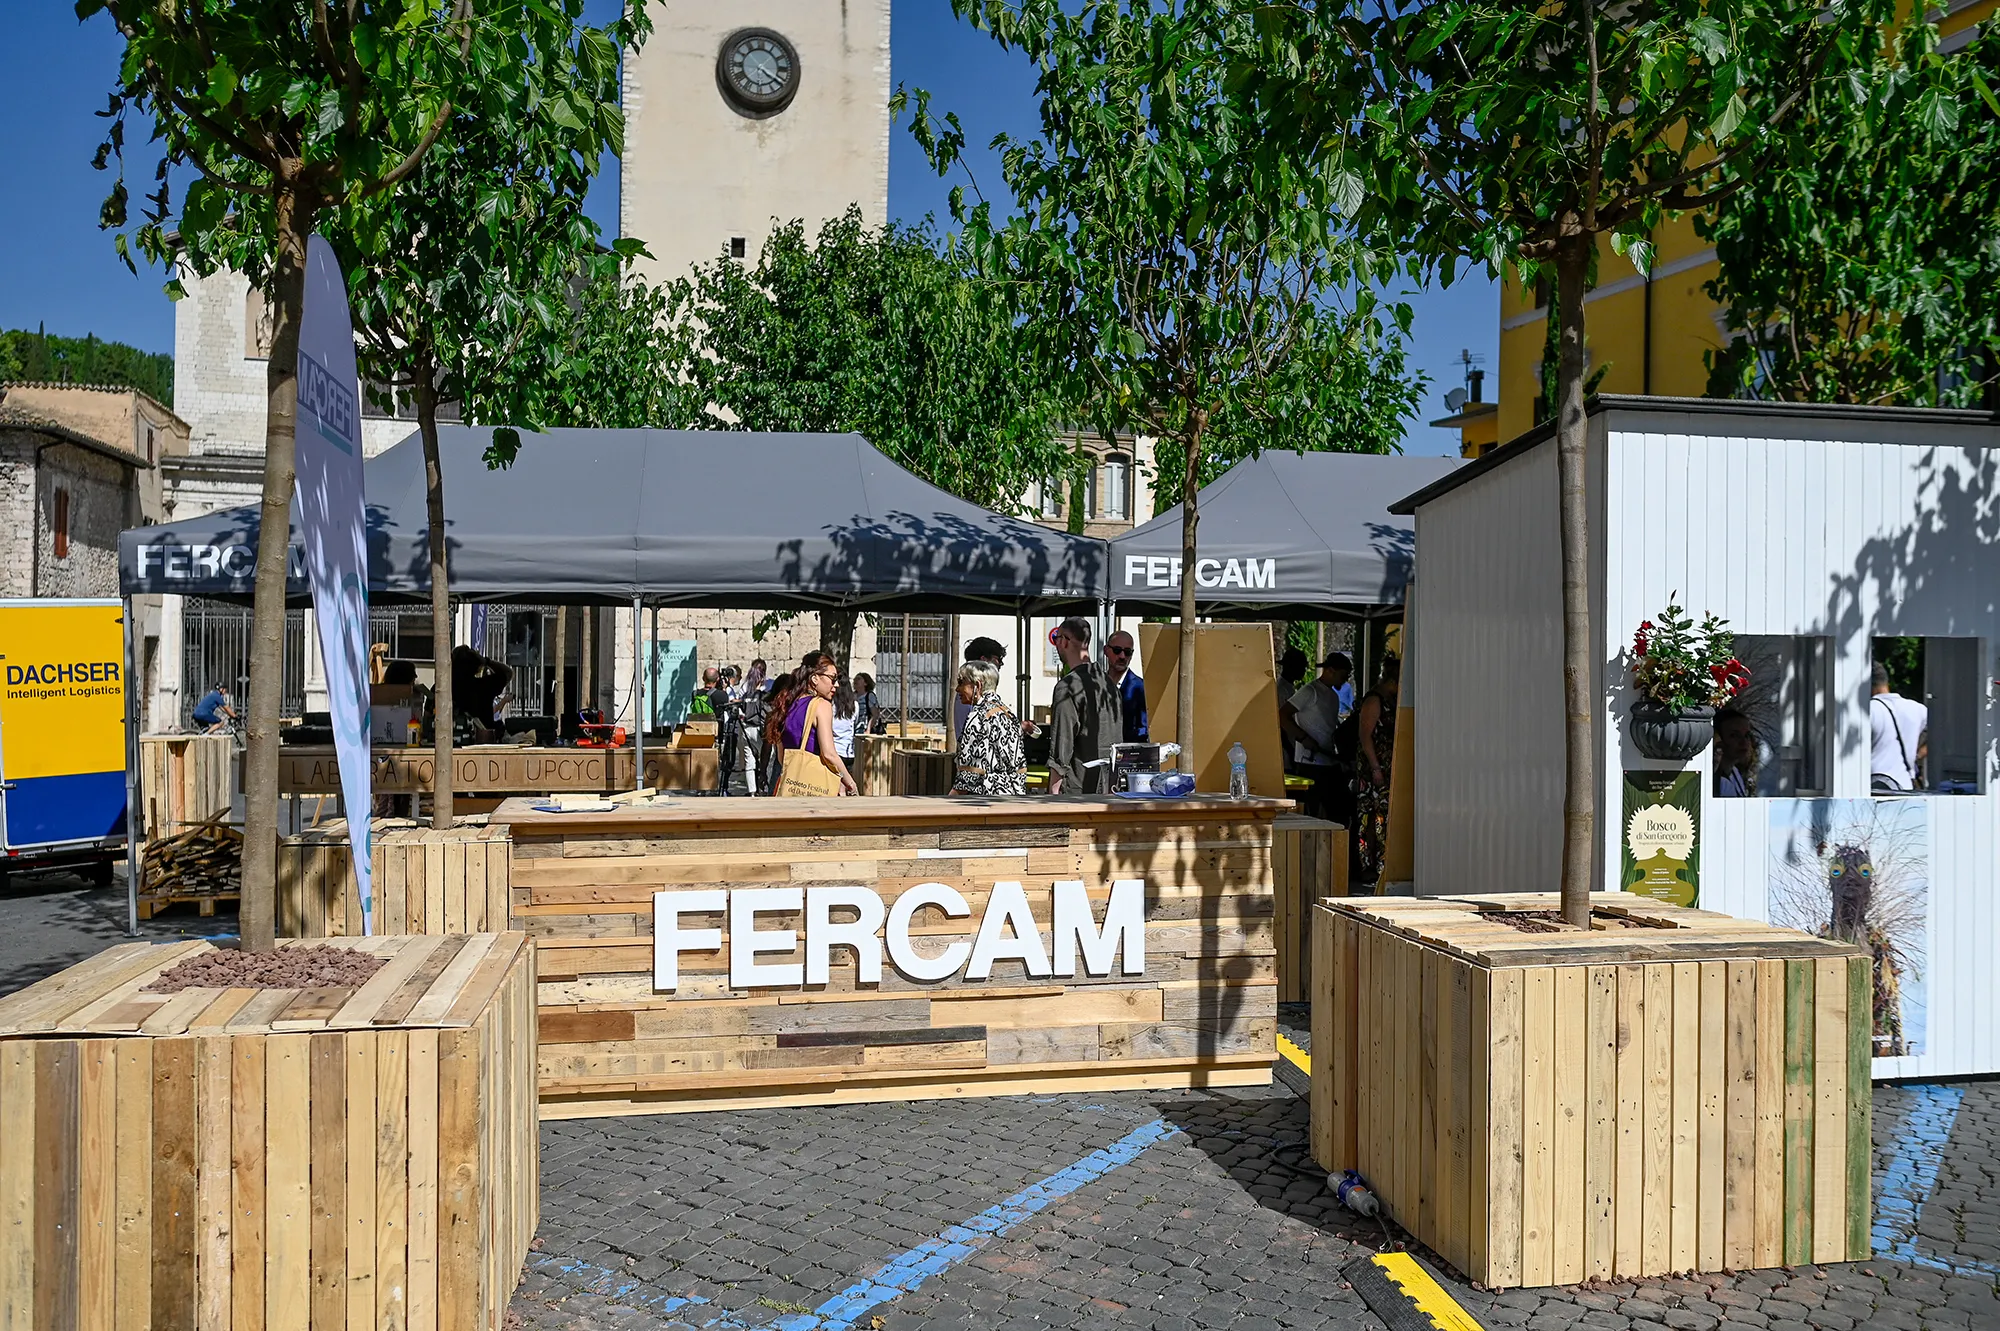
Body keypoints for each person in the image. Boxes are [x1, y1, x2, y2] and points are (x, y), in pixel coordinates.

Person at [1047, 616, 1121, 795]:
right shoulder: (1109, 685)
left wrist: (1052, 797)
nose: (1056, 644)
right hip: (1110, 789)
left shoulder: (1067, 687)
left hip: (1078, 794)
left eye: (1057, 639)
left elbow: (1061, 749)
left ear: (1064, 641)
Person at [1281, 652, 1354, 823]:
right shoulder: (1309, 690)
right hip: (1309, 764)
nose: (1346, 680)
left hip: (1328, 761)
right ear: (1330, 671)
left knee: (1341, 812)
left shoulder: (1333, 696)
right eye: (1344, 675)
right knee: (1311, 814)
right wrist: (1303, 738)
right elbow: (1282, 715)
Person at [774, 652, 858, 795]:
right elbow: (829, 754)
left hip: (790, 785)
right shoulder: (821, 706)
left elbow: (782, 757)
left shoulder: (787, 706)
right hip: (816, 791)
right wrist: (849, 781)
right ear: (814, 678)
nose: (836, 685)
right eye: (832, 678)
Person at [1352, 657, 1401, 884]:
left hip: (1387, 767)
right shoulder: (1375, 700)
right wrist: (1375, 768)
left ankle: (1382, 863)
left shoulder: (1391, 699)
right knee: (1371, 818)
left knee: (1384, 815)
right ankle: (1368, 865)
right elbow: (1365, 735)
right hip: (1374, 770)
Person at [950, 660, 1027, 796]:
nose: (957, 689)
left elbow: (968, 776)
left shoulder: (978, 717)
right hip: (1014, 798)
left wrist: (948, 805)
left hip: (985, 801)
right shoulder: (1008, 714)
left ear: (977, 686)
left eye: (961, 682)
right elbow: (1020, 767)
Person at [1870, 662, 1928, 792]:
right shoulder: (1917, 709)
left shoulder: (1868, 710)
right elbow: (1939, 735)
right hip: (1904, 785)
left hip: (1872, 787)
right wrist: (1917, 755)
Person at [450, 645, 512, 742]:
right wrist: (486, 661)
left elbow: (427, 714)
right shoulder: (483, 686)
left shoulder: (443, 689)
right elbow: (508, 673)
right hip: (483, 739)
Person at [954, 637, 1010, 740]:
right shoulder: (972, 696)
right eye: (998, 659)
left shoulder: (974, 694)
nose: (1000, 664)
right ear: (984, 660)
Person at [1104, 630, 1147, 744]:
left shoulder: (1140, 688)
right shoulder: (1098, 686)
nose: (1122, 656)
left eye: (1127, 652)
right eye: (1117, 650)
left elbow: (1144, 730)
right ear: (1106, 650)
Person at [1713, 706, 1757, 798]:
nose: (1743, 742)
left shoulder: (1735, 772)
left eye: (1746, 735)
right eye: (1734, 735)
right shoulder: (1713, 782)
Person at [830, 677, 859, 762]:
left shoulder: (830, 705)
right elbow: (855, 723)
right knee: (845, 774)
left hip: (834, 751)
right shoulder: (855, 705)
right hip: (848, 752)